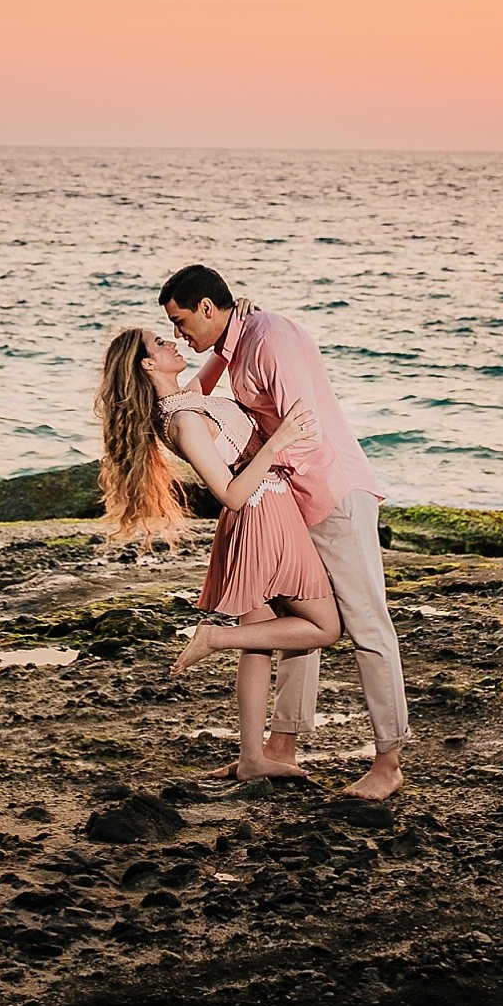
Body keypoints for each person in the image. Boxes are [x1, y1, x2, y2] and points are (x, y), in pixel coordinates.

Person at [159, 264, 409, 801]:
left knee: (366, 624)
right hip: (289, 500)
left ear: (208, 307)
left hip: (331, 492)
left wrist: (255, 462)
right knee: (296, 623)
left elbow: (303, 422)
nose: (180, 335)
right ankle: (280, 747)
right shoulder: (239, 342)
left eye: (181, 322)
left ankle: (388, 762)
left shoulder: (268, 336)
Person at [96, 327, 332, 782]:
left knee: (259, 639)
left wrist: (237, 323)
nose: (172, 343)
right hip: (262, 513)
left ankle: (252, 758)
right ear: (148, 365)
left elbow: (221, 359)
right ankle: (212, 638)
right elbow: (229, 494)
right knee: (325, 627)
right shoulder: (181, 420)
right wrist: (278, 441)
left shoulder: (186, 398)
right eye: (160, 344)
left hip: (265, 512)